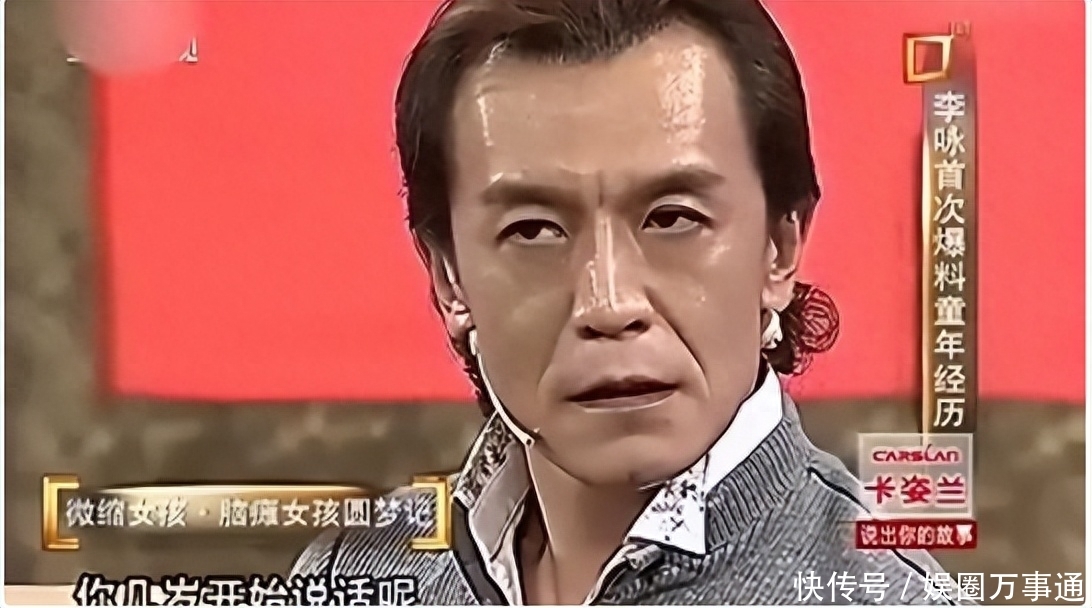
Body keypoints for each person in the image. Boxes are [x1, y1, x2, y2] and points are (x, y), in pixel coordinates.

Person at [292, 0, 956, 604]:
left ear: (779, 248)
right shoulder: (351, 575)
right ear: (449, 276)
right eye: (533, 231)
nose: (608, 305)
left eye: (673, 219)